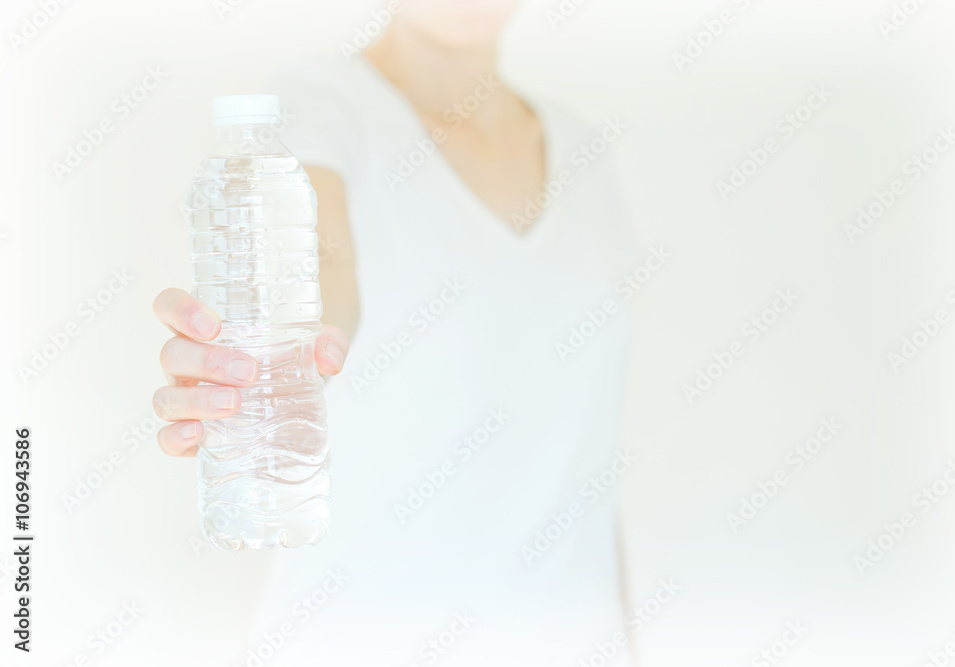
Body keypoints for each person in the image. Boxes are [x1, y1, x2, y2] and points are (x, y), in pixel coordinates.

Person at [153, 0, 636, 663]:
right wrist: (275, 350)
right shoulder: (319, 105)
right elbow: (320, 268)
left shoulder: (585, 148)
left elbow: (583, 460)